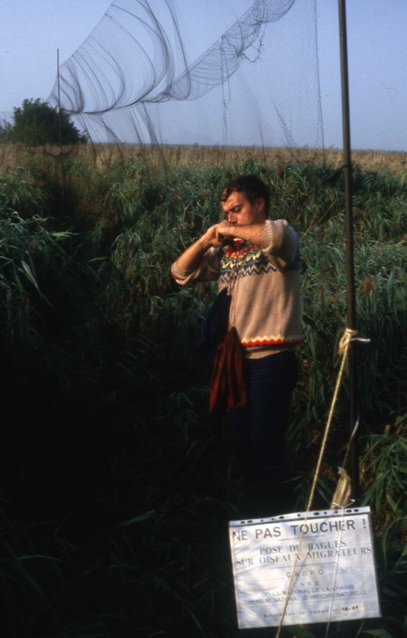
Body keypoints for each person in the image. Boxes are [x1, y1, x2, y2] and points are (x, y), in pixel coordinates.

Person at [171, 175, 301, 516]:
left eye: (237, 209)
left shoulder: (282, 236)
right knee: (245, 447)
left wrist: (230, 231)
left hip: (271, 361)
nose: (230, 218)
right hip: (235, 362)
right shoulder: (229, 252)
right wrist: (205, 240)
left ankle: (277, 527)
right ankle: (255, 524)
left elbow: (271, 237)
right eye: (227, 212)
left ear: (260, 204)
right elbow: (179, 273)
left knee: (266, 450)